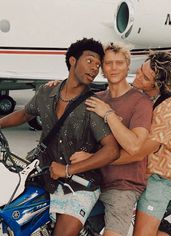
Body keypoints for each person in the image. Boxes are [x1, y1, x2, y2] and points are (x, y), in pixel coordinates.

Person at [0, 38, 119, 236]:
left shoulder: (92, 105)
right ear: (73, 60)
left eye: (98, 65)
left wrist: (68, 169)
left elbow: (112, 150)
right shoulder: (47, 92)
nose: (94, 68)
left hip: (78, 184)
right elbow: (25, 113)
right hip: (41, 173)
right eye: (90, 61)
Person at [70, 42, 153, 236]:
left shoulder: (141, 102)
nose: (114, 68)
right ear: (102, 69)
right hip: (91, 180)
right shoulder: (96, 98)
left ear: (127, 66)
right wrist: (56, 88)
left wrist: (108, 114)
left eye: (119, 63)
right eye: (108, 63)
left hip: (122, 185)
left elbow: (134, 145)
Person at [111, 51, 171, 236]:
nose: (138, 75)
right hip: (132, 170)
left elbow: (139, 152)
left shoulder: (169, 107)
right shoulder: (137, 93)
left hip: (157, 175)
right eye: (140, 70)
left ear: (157, 84)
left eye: (145, 76)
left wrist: (101, 160)